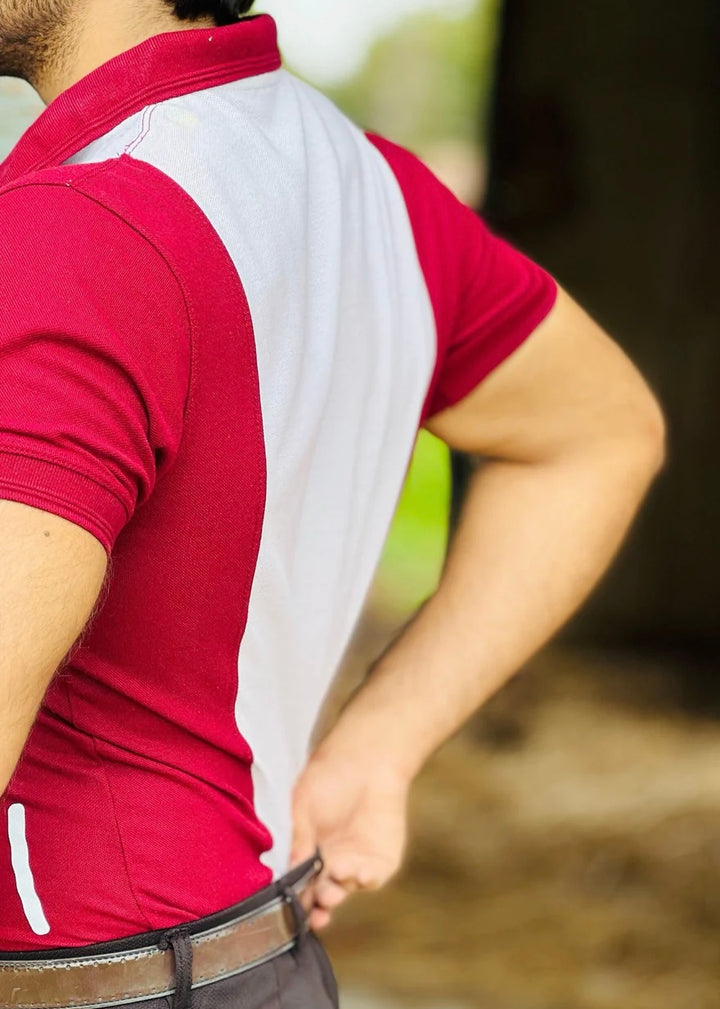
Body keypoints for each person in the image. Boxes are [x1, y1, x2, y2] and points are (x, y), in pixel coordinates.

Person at [0, 0, 665, 1006]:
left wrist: (383, 742)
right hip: (258, 962)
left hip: (84, 975)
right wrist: (379, 750)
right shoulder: (365, 184)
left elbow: (603, 434)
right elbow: (603, 429)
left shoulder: (76, 225)